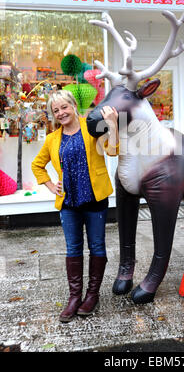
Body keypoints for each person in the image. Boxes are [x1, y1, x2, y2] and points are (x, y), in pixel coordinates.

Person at [32, 89, 119, 323]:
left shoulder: (91, 127)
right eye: (56, 110)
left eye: (64, 107)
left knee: (97, 246)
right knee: (73, 249)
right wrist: (51, 186)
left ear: (73, 106)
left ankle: (92, 295)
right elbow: (37, 166)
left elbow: (112, 150)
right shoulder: (52, 139)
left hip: (94, 199)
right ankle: (74, 297)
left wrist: (112, 125)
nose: (61, 113)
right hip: (69, 202)